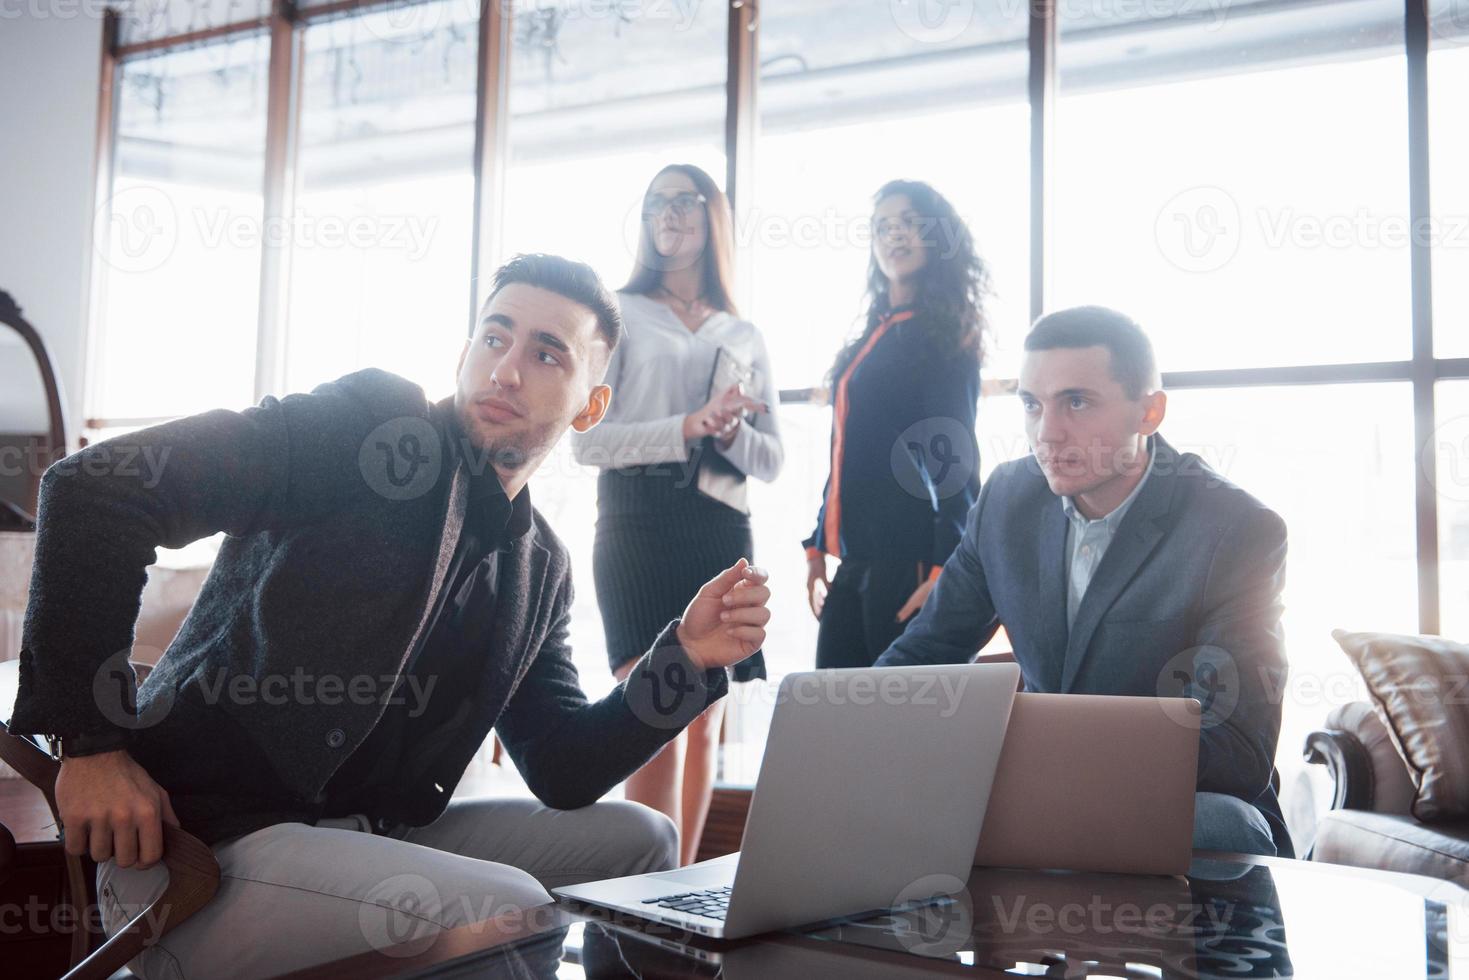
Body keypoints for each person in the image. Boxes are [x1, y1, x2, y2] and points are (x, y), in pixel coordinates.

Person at [10, 253, 773, 977]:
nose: (505, 368)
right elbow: (95, 488)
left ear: (591, 406)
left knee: (642, 838)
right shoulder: (365, 429)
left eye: (547, 354)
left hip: (372, 834)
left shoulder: (539, 564)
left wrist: (687, 658)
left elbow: (563, 764)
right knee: (507, 908)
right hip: (199, 854)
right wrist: (90, 744)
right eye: (494, 336)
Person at [874, 306, 1293, 858]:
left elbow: (1237, 750)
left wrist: (1040, 758)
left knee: (1220, 823)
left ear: (1149, 412)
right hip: (1042, 798)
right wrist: (842, 722)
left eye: (1077, 401)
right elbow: (927, 651)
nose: (1047, 433)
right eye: (1031, 404)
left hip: (1182, 805)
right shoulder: (1006, 500)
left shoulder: (1235, 530)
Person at [571, 164, 783, 866]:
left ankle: (678, 901)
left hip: (720, 525)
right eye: (656, 201)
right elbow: (587, 440)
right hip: (636, 522)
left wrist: (725, 432)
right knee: (653, 713)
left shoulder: (743, 331)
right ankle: (639, 899)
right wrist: (687, 425)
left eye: (683, 200)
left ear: (711, 216)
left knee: (703, 720)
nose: (669, 212)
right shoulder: (620, 312)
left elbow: (771, 460)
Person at [804, 179, 988, 669]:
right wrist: (818, 543)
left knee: (890, 727)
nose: (895, 235)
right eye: (883, 226)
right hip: (857, 557)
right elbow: (850, 448)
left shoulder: (942, 337)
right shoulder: (879, 331)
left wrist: (944, 566)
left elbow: (953, 455)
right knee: (832, 713)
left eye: (909, 222)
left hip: (909, 559)